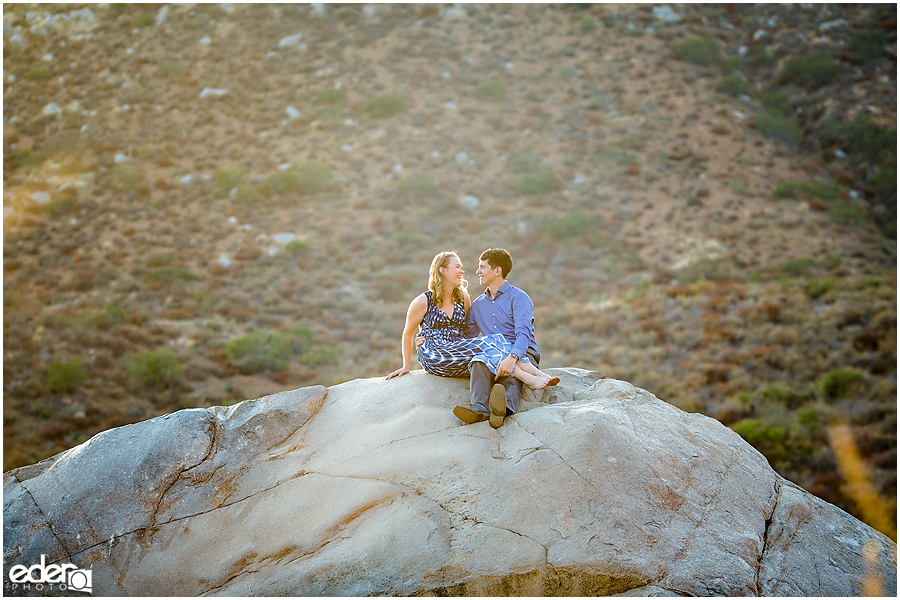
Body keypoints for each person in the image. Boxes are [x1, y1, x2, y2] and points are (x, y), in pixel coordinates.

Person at [385, 251, 558, 399]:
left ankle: (538, 376)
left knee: (494, 341)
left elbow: (467, 333)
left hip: (458, 348)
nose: (463, 271)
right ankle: (530, 379)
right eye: (457, 267)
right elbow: (408, 333)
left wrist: (493, 351)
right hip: (434, 352)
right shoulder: (423, 301)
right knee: (491, 344)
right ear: (442, 270)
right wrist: (406, 365)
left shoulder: (463, 298)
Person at [452, 248, 546, 428]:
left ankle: (503, 410)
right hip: (493, 355)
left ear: (497, 271)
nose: (478, 271)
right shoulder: (478, 305)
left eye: (482, 267)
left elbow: (523, 334)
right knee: (478, 362)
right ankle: (479, 409)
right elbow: (465, 337)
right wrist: (430, 337)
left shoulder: (519, 298)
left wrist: (512, 358)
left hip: (523, 353)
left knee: (509, 378)